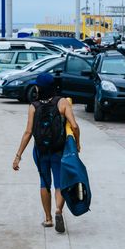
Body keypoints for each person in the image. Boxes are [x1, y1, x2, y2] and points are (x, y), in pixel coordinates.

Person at [12, 73, 80, 233]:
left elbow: (28, 132)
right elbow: (75, 126)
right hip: (59, 149)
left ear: (38, 88)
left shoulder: (33, 106)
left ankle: (48, 219)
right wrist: (77, 143)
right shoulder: (62, 102)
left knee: (44, 183)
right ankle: (58, 210)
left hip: (40, 150)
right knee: (59, 182)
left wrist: (18, 156)